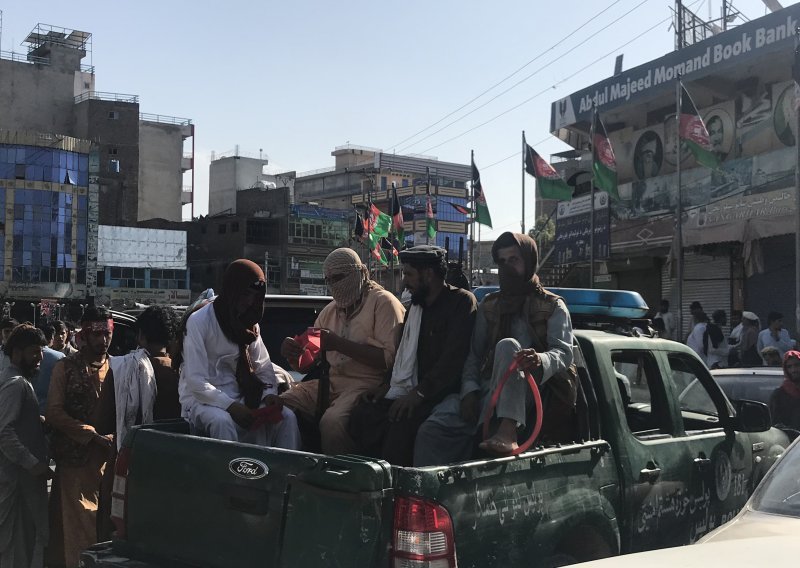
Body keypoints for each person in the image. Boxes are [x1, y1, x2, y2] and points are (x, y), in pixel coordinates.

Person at [414, 232, 576, 464]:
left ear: (528, 261)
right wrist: (469, 391)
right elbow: (474, 355)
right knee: (432, 430)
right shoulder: (490, 305)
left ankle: (507, 430)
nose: (507, 267)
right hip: (488, 388)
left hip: (530, 389)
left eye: (515, 260)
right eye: (502, 262)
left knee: (507, 346)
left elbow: (563, 352)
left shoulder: (552, 305)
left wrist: (541, 359)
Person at [348, 246, 477, 465]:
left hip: (441, 394)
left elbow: (452, 360)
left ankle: (397, 494)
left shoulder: (461, 302)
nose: (404, 282)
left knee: (400, 428)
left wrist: (418, 394)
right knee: (363, 414)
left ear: (428, 274)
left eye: (408, 274)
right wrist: (385, 387)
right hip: (411, 391)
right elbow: (402, 357)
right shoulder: (417, 307)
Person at [280, 248, 405, 454]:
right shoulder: (329, 312)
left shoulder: (384, 304)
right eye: (328, 280)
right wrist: (292, 354)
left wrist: (338, 343)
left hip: (367, 385)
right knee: (279, 405)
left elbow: (389, 360)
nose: (333, 285)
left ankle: (342, 478)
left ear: (359, 273)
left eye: (338, 278)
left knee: (332, 423)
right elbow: (306, 365)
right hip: (330, 383)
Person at [180, 260, 300, 449]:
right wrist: (230, 406)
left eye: (255, 296)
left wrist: (269, 395)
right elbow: (196, 381)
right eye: (245, 294)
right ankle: (232, 478)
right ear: (232, 291)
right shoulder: (199, 322)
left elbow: (263, 368)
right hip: (203, 400)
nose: (250, 302)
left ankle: (288, 474)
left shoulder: (250, 324)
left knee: (287, 417)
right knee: (223, 422)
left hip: (242, 397)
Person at [46, 307, 115, 568]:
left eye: (106, 333)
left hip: (108, 463)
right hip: (76, 461)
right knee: (79, 530)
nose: (103, 340)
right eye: (97, 334)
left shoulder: (117, 367)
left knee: (107, 528)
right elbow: (53, 412)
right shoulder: (65, 367)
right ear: (85, 335)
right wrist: (91, 434)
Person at [0, 325, 52, 568]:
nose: (40, 358)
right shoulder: (15, 384)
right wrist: (33, 465)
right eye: (34, 352)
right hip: (15, 483)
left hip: (21, 482)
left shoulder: (17, 381)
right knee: (15, 550)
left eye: (41, 351)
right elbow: (4, 433)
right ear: (17, 353)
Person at [33, 324, 65, 413]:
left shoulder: (28, 354)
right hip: (51, 409)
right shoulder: (59, 357)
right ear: (52, 337)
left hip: (29, 407)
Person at [769, 350, 800, 431]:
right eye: (789, 367)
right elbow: (775, 426)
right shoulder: (779, 395)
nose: (794, 370)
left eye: (797, 365)